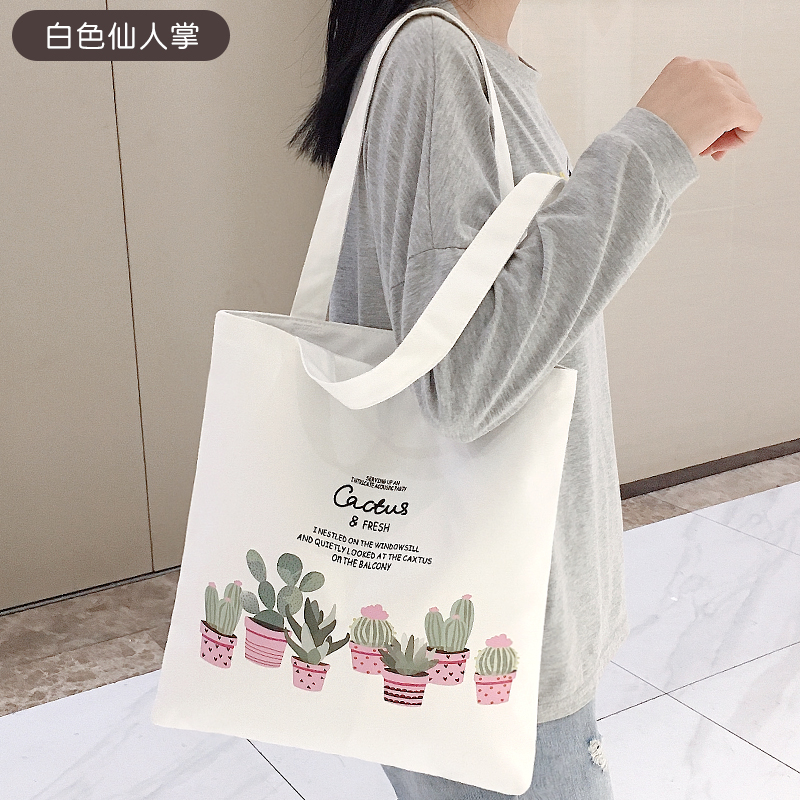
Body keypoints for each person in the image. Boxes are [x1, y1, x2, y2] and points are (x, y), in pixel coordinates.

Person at [288, 0, 762, 797]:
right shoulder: (435, 54)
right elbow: (465, 380)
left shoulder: (464, 57)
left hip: (462, 619)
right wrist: (651, 148)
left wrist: (659, 152)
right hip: (494, 649)